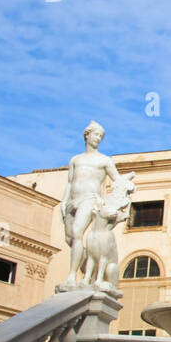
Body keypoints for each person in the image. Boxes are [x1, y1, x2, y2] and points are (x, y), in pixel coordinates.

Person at [58, 122, 121, 291]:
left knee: (78, 233)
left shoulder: (104, 160)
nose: (98, 139)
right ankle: (87, 273)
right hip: (73, 200)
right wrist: (64, 202)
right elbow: (70, 183)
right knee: (71, 239)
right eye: (96, 135)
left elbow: (118, 181)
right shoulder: (75, 160)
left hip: (90, 199)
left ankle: (72, 276)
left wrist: (115, 203)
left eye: (101, 136)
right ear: (87, 135)